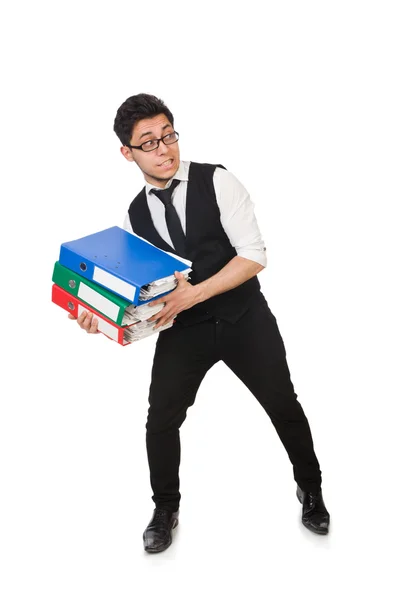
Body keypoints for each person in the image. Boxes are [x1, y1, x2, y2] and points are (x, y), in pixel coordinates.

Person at [71, 93, 330, 553]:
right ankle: (165, 508)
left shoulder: (219, 180)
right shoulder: (134, 214)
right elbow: (144, 292)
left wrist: (195, 293)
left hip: (244, 317)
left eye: (168, 134)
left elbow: (254, 255)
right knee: (161, 420)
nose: (164, 149)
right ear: (126, 152)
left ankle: (311, 490)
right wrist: (104, 318)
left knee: (282, 403)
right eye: (148, 142)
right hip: (185, 330)